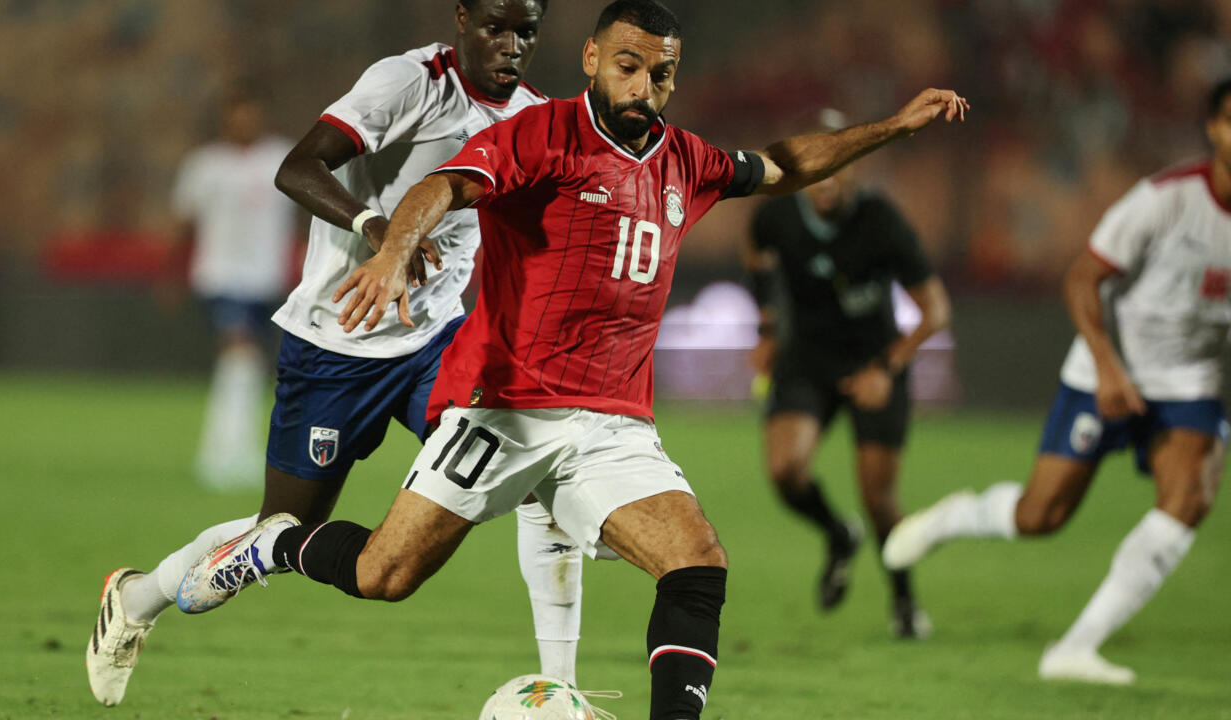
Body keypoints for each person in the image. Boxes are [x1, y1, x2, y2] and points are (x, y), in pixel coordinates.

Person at [178, 2, 967, 717]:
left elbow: (784, 164)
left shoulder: (685, 161)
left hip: (612, 422)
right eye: (629, 65)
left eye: (662, 73)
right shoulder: (540, 134)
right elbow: (447, 187)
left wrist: (892, 128)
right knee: (387, 574)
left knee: (697, 563)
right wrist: (389, 246)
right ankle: (276, 544)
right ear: (591, 59)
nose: (645, 86)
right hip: (506, 408)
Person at [85, 0, 585, 707]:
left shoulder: (532, 118)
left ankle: (558, 689)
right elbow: (299, 167)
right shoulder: (407, 83)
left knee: (535, 474)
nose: (512, 45)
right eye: (496, 26)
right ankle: (139, 597)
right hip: (334, 345)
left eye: (527, 31)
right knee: (285, 531)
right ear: (463, 18)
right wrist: (381, 229)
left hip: (434, 344)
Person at [883, 78, 1231, 685]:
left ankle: (1076, 648)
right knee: (1039, 517)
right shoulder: (1166, 199)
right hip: (1107, 369)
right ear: (1214, 128)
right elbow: (1081, 280)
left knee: (1190, 500)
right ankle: (955, 517)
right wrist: (1107, 367)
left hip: (1191, 381)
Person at [744, 108, 951, 638]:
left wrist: (887, 368)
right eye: (821, 165)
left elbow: (936, 311)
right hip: (807, 359)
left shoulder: (881, 221)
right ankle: (838, 534)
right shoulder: (778, 215)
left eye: (841, 164)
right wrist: (767, 327)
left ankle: (904, 601)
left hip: (873, 362)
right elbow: (757, 252)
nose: (828, 179)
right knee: (785, 470)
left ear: (858, 166)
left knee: (880, 501)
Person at [171, 90, 297, 490]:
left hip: (266, 278)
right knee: (239, 354)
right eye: (237, 115)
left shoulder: (281, 157)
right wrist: (171, 273)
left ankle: (233, 448)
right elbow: (184, 223)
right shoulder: (205, 166)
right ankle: (222, 454)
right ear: (226, 118)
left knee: (250, 364)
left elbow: (301, 215)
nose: (245, 122)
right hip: (220, 276)